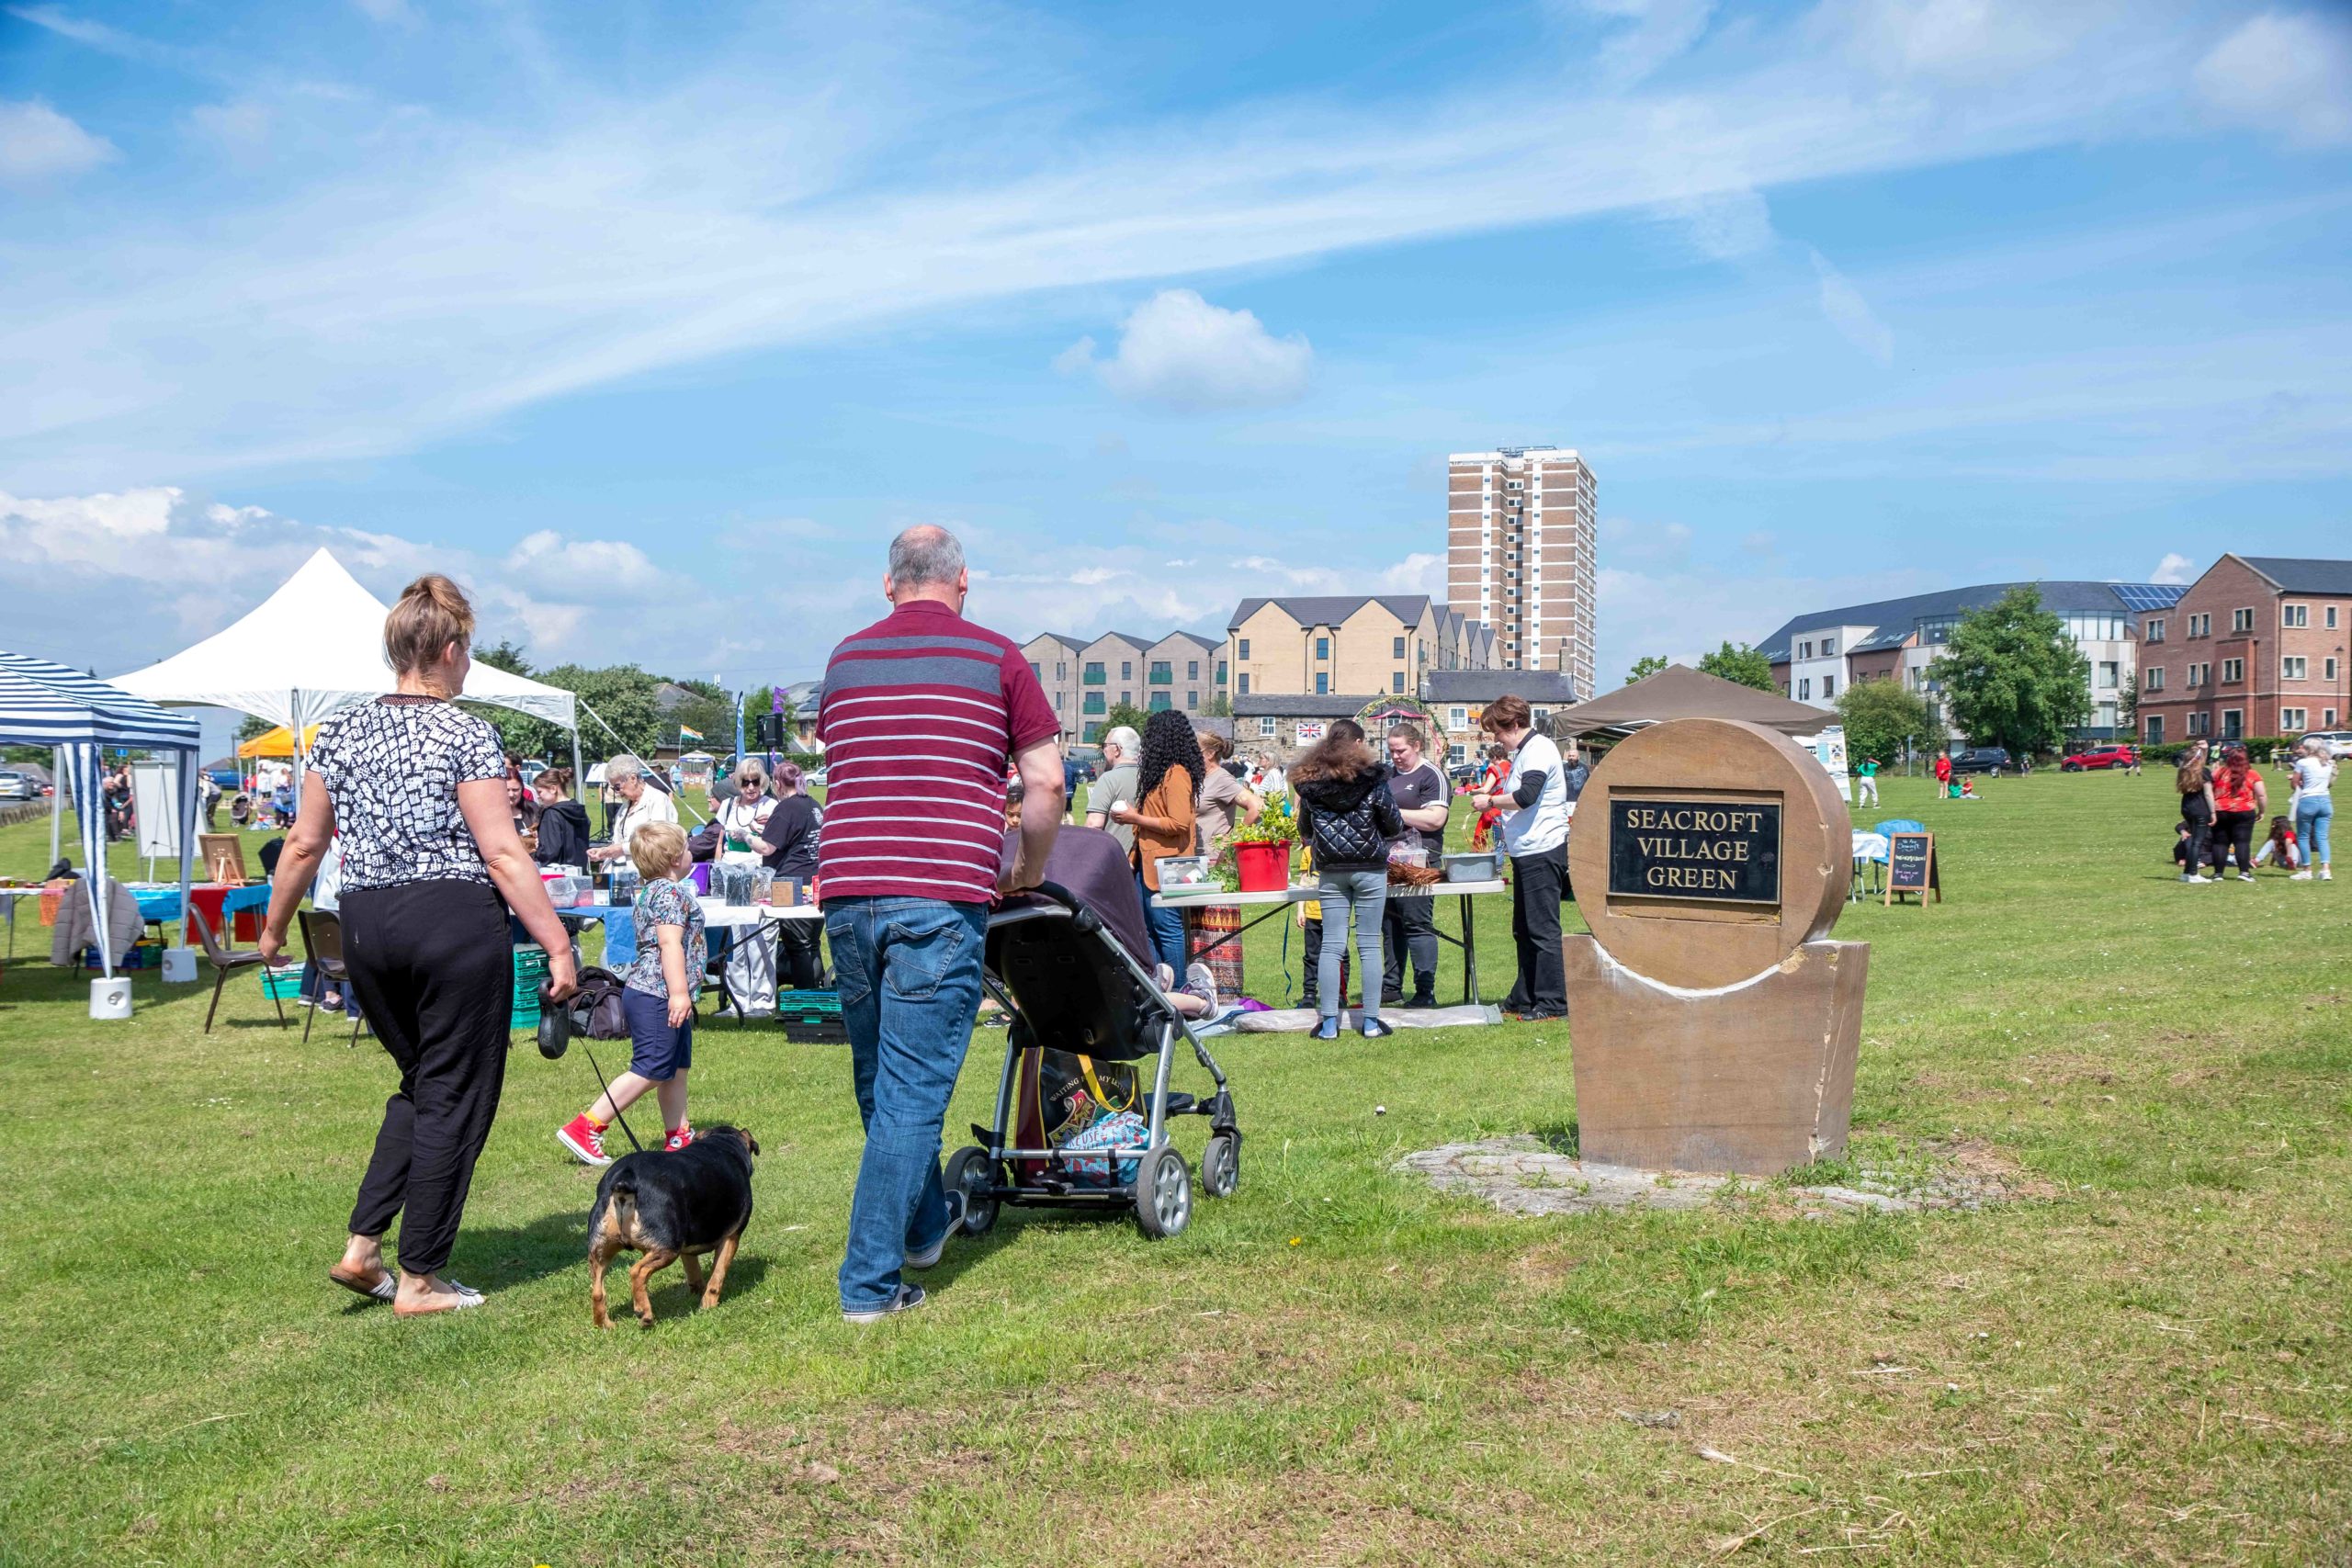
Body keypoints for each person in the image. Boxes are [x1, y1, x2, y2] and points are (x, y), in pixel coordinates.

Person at [260, 573, 577, 1317]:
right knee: (456, 1093)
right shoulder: (466, 732)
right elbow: (501, 851)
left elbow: (303, 842)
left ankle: (362, 1247)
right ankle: (422, 1276)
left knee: (426, 1082)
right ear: (449, 649)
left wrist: (273, 928)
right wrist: (558, 944)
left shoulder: (339, 730)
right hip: (450, 920)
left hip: (366, 925)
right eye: (468, 651)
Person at [818, 525, 1062, 1325]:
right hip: (940, 888)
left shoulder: (846, 659)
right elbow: (1046, 782)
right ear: (964, 581)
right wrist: (1026, 868)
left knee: (878, 1082)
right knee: (911, 1093)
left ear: (888, 584)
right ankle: (870, 1284)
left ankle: (923, 1227)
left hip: (849, 890)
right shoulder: (997, 658)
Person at [557, 820, 707, 1165]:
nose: (691, 854)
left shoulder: (653, 890)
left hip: (659, 992)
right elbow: (669, 944)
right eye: (686, 849)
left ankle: (679, 1135)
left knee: (675, 1067)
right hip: (658, 994)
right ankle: (586, 1126)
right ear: (674, 858)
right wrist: (679, 993)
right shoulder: (668, 894)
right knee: (650, 1068)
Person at [1293, 718, 1404, 1040]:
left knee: (1331, 945)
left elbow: (1305, 830)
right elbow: (1394, 824)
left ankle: (1329, 1024)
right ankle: (1370, 1023)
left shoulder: (1311, 783)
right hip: (1370, 867)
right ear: (1358, 744)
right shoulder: (1375, 780)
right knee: (1369, 943)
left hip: (1331, 869)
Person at [1471, 695, 1569, 1021]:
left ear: (1514, 724)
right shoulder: (1526, 751)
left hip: (1543, 849)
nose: (1496, 739)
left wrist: (1490, 801)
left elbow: (1527, 796)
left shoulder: (1539, 749)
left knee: (1542, 929)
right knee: (1524, 929)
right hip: (1527, 851)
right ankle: (1524, 997)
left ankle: (1553, 1002)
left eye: (1497, 732)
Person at [1114, 710, 1202, 977]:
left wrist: (1134, 817)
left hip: (1172, 866)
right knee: (1147, 930)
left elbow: (1179, 823)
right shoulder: (1158, 774)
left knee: (1168, 929)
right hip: (1148, 864)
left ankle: (1179, 990)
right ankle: (1159, 987)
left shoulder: (1177, 774)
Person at [1187, 729, 1262, 1001]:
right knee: (1196, 931)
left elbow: (1256, 806)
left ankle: (1226, 994)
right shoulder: (1198, 779)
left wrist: (1234, 841)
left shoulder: (1221, 778)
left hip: (1217, 863)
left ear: (1209, 753)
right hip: (1194, 864)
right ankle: (1199, 993)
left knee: (1218, 930)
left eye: (1193, 750)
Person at [1380, 722, 1450, 1010]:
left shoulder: (1431, 775)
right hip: (1387, 861)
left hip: (1420, 862)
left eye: (1401, 751)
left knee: (1417, 924)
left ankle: (1425, 990)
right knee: (1389, 926)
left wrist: (1393, 812)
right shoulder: (1386, 775)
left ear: (1417, 746)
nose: (1396, 756)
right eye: (1392, 751)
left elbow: (1435, 819)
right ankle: (1391, 986)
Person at [713, 758, 784, 1013]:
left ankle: (763, 1000)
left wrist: (757, 831)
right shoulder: (728, 806)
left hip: (760, 874)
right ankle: (738, 1000)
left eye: (755, 781)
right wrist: (717, 867)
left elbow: (775, 843)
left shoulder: (771, 805)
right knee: (735, 940)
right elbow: (721, 840)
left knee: (761, 937)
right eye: (745, 782)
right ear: (738, 783)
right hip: (732, 875)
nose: (751, 787)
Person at [765, 761, 827, 987]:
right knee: (811, 943)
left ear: (777, 783)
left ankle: (806, 997)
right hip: (816, 881)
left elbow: (767, 848)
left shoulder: (786, 807)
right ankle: (816, 995)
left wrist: (746, 836)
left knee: (798, 945)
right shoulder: (813, 804)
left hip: (792, 884)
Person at [589, 754, 679, 877]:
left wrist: (620, 849)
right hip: (620, 876)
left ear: (633, 778)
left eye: (617, 787)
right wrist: (604, 852)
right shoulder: (625, 806)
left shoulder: (657, 800)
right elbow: (619, 841)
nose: (617, 792)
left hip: (646, 876)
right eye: (613, 788)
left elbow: (657, 844)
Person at [2207, 743, 2266, 882]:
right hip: (2244, 811)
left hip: (2220, 810)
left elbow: (2209, 788)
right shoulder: (2252, 774)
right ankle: (2244, 872)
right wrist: (2262, 811)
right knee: (2242, 842)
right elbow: (2261, 795)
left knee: (2220, 843)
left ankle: (2218, 874)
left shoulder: (2219, 772)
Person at [1083, 726, 1142, 853]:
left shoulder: (1108, 779)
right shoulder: (1149, 777)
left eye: (1105, 745)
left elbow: (1094, 824)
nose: (1104, 749)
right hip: (1145, 857)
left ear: (1116, 749)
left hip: (1115, 857)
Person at [2289, 736, 2335, 883]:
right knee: (2322, 837)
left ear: (2308, 749)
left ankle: (2307, 870)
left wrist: (2297, 782)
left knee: (2303, 836)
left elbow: (2294, 783)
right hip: (2325, 800)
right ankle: (2326, 870)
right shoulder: (2327, 762)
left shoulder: (2302, 762)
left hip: (2308, 800)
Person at [529, 767, 593, 868]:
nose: (538, 796)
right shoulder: (579, 811)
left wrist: (539, 849)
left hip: (557, 872)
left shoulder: (551, 814)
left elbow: (549, 852)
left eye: (540, 792)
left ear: (553, 789)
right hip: (579, 870)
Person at [2177, 742, 2216, 884]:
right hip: (2200, 809)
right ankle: (2193, 873)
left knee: (2194, 840)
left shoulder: (2183, 771)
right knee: (2198, 842)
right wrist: (2213, 812)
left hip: (2187, 807)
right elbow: (2208, 794)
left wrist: (2204, 748)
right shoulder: (2203, 772)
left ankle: (2186, 873)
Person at [1469, 742, 1510, 851]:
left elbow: (1486, 789)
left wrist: (1472, 790)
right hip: (1510, 804)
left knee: (1481, 828)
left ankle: (1479, 851)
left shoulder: (1495, 769)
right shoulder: (1512, 766)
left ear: (1495, 757)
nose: (1491, 761)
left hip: (1495, 805)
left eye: (1491, 759)